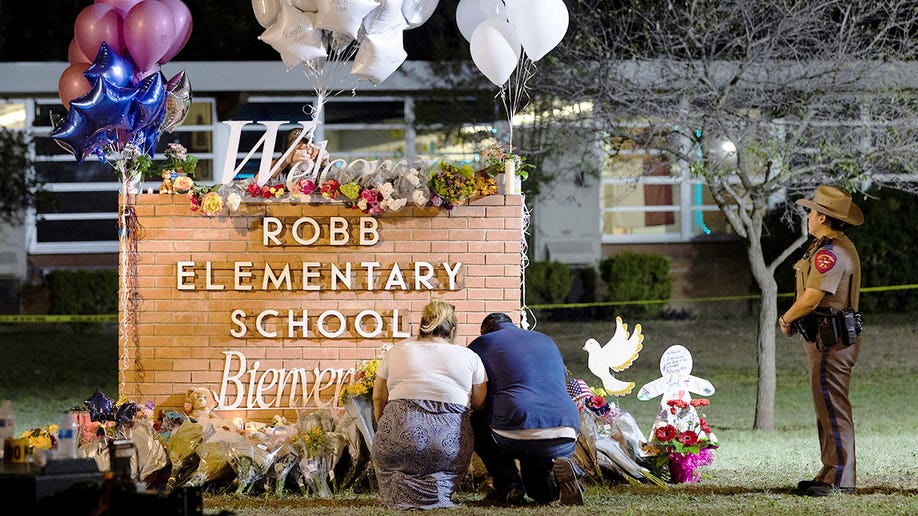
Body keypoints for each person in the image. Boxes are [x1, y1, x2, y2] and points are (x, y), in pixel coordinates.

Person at [779, 185, 863, 497]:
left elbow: (813, 297)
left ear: (824, 217)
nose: (809, 216)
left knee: (833, 407)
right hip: (826, 339)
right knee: (826, 408)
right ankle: (830, 473)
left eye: (813, 211)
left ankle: (841, 480)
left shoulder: (831, 253)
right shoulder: (827, 246)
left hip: (832, 340)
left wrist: (787, 318)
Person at [371, 298, 488, 510]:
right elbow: (480, 404)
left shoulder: (397, 350)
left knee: (396, 457)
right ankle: (437, 495)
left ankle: (398, 496)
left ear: (422, 325)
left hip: (398, 437)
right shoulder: (470, 357)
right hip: (447, 444)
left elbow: (378, 397)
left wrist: (384, 429)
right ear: (452, 329)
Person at [468, 313, 584, 505]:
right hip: (567, 429)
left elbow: (475, 390)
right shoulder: (545, 339)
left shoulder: (483, 343)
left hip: (517, 428)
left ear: (485, 331)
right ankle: (561, 485)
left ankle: (508, 486)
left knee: (475, 421)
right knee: (540, 493)